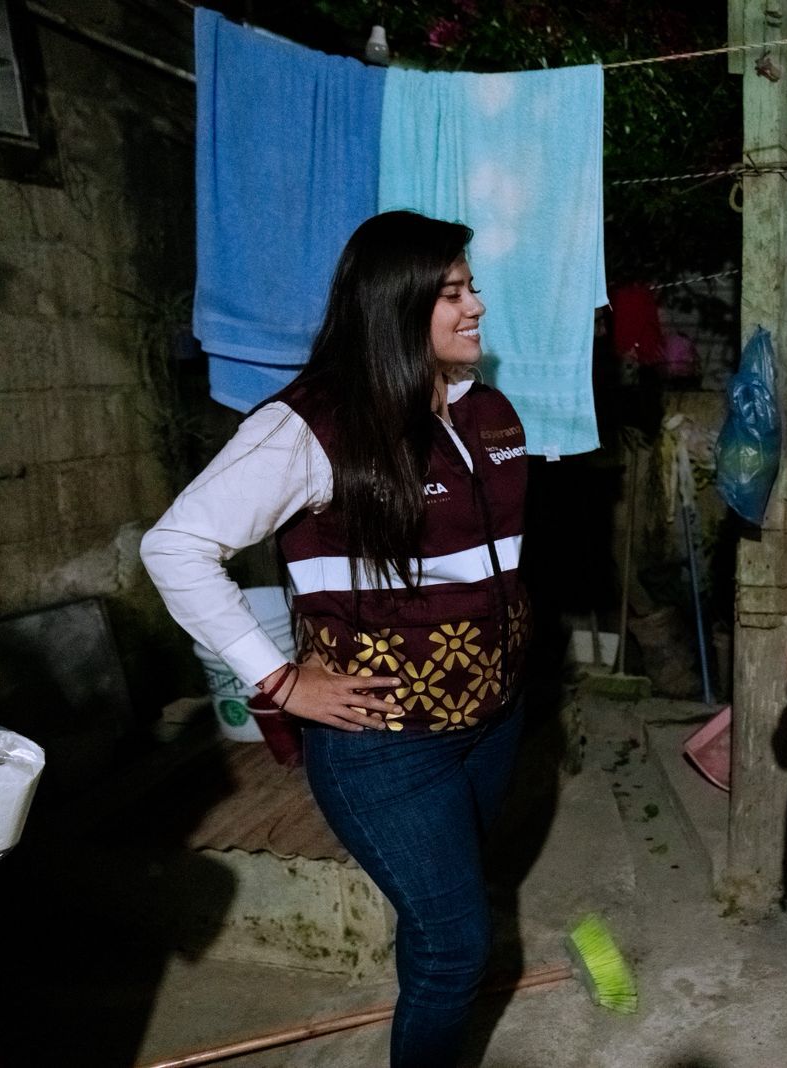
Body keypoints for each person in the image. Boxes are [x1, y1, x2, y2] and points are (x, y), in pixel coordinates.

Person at [142, 210, 531, 1067]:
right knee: (459, 945)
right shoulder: (310, 427)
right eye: (452, 293)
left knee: (438, 922)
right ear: (396, 306)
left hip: (493, 721)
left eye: (471, 288)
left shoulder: (491, 411)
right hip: (385, 745)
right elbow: (175, 547)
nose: (476, 306)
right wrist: (279, 680)